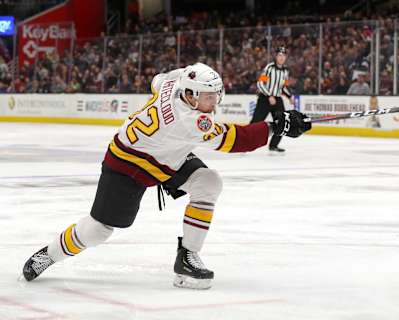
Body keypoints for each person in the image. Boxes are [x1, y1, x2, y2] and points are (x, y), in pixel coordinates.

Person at [21, 62, 311, 290]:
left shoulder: (176, 80)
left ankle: (187, 258)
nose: (214, 102)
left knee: (208, 183)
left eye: (215, 96)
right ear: (190, 95)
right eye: (208, 97)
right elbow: (236, 140)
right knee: (98, 231)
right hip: (127, 165)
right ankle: (49, 253)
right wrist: (277, 127)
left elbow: (157, 81)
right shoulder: (189, 121)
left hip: (165, 154)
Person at [251, 46, 294, 153]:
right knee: (255, 122)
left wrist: (289, 97)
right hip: (265, 99)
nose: (281, 58)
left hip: (277, 99)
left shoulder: (285, 71)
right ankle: (243, 142)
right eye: (279, 55)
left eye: (283, 56)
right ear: (276, 56)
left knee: (283, 122)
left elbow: (284, 86)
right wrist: (269, 95)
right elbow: (260, 83)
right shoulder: (269, 68)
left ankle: (273, 145)